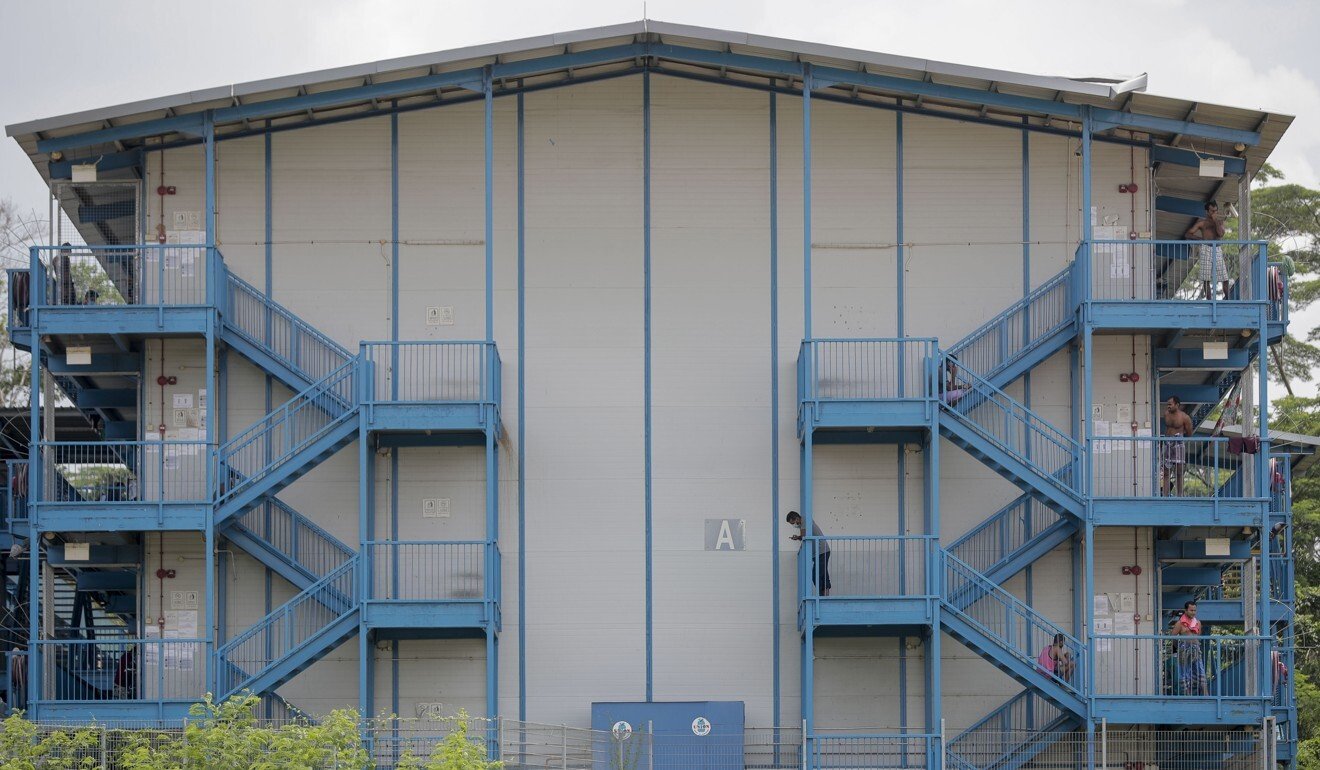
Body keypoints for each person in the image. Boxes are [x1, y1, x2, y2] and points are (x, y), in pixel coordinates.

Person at [1185, 202, 1230, 300]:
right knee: (1206, 278)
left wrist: (1215, 220)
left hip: (1217, 249)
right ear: (1207, 211)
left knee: (1225, 277)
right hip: (1206, 249)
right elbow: (1188, 234)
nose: (1214, 212)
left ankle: (1228, 299)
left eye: (1216, 210)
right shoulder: (1202, 223)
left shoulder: (1220, 222)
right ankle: (1209, 301)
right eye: (1212, 211)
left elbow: (1221, 233)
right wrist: (1200, 240)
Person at [787, 510, 831, 597]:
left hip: (821, 551)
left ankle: (821, 597)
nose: (794, 525)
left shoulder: (805, 521)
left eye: (793, 523)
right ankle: (825, 597)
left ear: (796, 518)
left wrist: (799, 537)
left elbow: (803, 536)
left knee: (816, 575)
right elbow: (804, 537)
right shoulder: (803, 524)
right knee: (823, 575)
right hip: (819, 552)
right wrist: (798, 537)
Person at [1161, 396, 1193, 496]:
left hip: (1178, 443)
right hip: (1167, 442)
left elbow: (1189, 432)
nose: (1168, 406)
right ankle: (1165, 495)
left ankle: (1180, 495)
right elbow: (1167, 428)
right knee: (1166, 471)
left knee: (1179, 471)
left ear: (1177, 405)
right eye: (1168, 404)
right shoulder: (1166, 414)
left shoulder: (1184, 417)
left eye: (1170, 404)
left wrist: (1180, 438)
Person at [1176, 601, 1208, 696]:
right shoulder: (1180, 623)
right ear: (1186, 610)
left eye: (1195, 610)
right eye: (1191, 610)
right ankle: (1188, 697)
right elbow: (1173, 636)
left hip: (1196, 649)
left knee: (1200, 672)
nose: (1193, 612)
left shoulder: (1198, 622)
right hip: (1184, 649)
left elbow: (1198, 636)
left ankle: (1207, 696)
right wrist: (1176, 650)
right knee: (1185, 674)